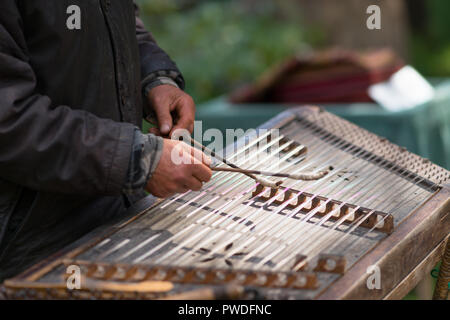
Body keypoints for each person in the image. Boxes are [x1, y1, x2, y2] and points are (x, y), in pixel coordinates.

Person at [0, 1, 212, 281]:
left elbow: (120, 26)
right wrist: (136, 161)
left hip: (120, 217)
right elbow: (9, 122)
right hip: (33, 248)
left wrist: (155, 79)